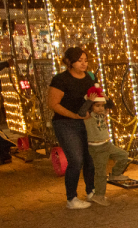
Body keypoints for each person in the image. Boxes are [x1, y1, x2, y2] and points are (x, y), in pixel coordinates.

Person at [47, 46, 97, 209]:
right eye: (79, 61)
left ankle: (91, 191)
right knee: (76, 159)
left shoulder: (89, 77)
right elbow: (53, 104)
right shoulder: (61, 80)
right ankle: (71, 198)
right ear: (69, 62)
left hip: (85, 121)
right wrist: (74, 115)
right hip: (65, 123)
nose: (83, 64)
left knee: (90, 157)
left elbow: (94, 97)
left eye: (85, 60)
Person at [81, 88, 129, 206]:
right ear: (91, 106)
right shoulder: (88, 116)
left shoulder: (102, 113)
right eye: (97, 106)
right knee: (101, 173)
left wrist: (106, 98)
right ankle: (99, 195)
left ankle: (115, 174)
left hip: (107, 144)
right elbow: (81, 111)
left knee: (124, 155)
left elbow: (111, 105)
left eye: (102, 106)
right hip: (97, 148)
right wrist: (89, 101)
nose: (101, 108)